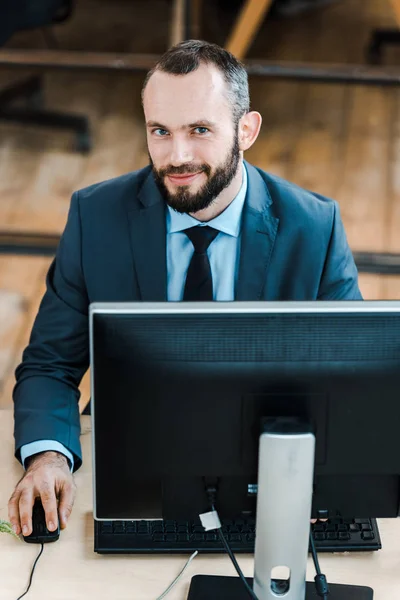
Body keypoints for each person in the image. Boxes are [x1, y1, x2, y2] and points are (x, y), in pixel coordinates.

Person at [8, 39, 362, 538]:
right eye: (160, 131)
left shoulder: (314, 226)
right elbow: (51, 363)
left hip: (266, 465)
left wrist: (319, 475)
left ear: (247, 129)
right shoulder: (97, 217)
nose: (177, 156)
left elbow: (349, 377)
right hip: (132, 457)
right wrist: (47, 456)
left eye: (199, 130)